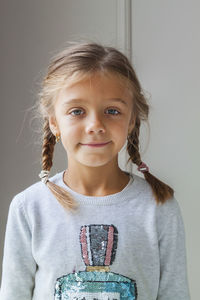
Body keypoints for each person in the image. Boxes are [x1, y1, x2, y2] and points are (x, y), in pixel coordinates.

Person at [0, 41, 190, 300]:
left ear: (132, 119)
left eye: (112, 111)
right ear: (54, 122)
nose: (95, 125)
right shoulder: (28, 208)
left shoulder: (159, 207)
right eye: (77, 111)